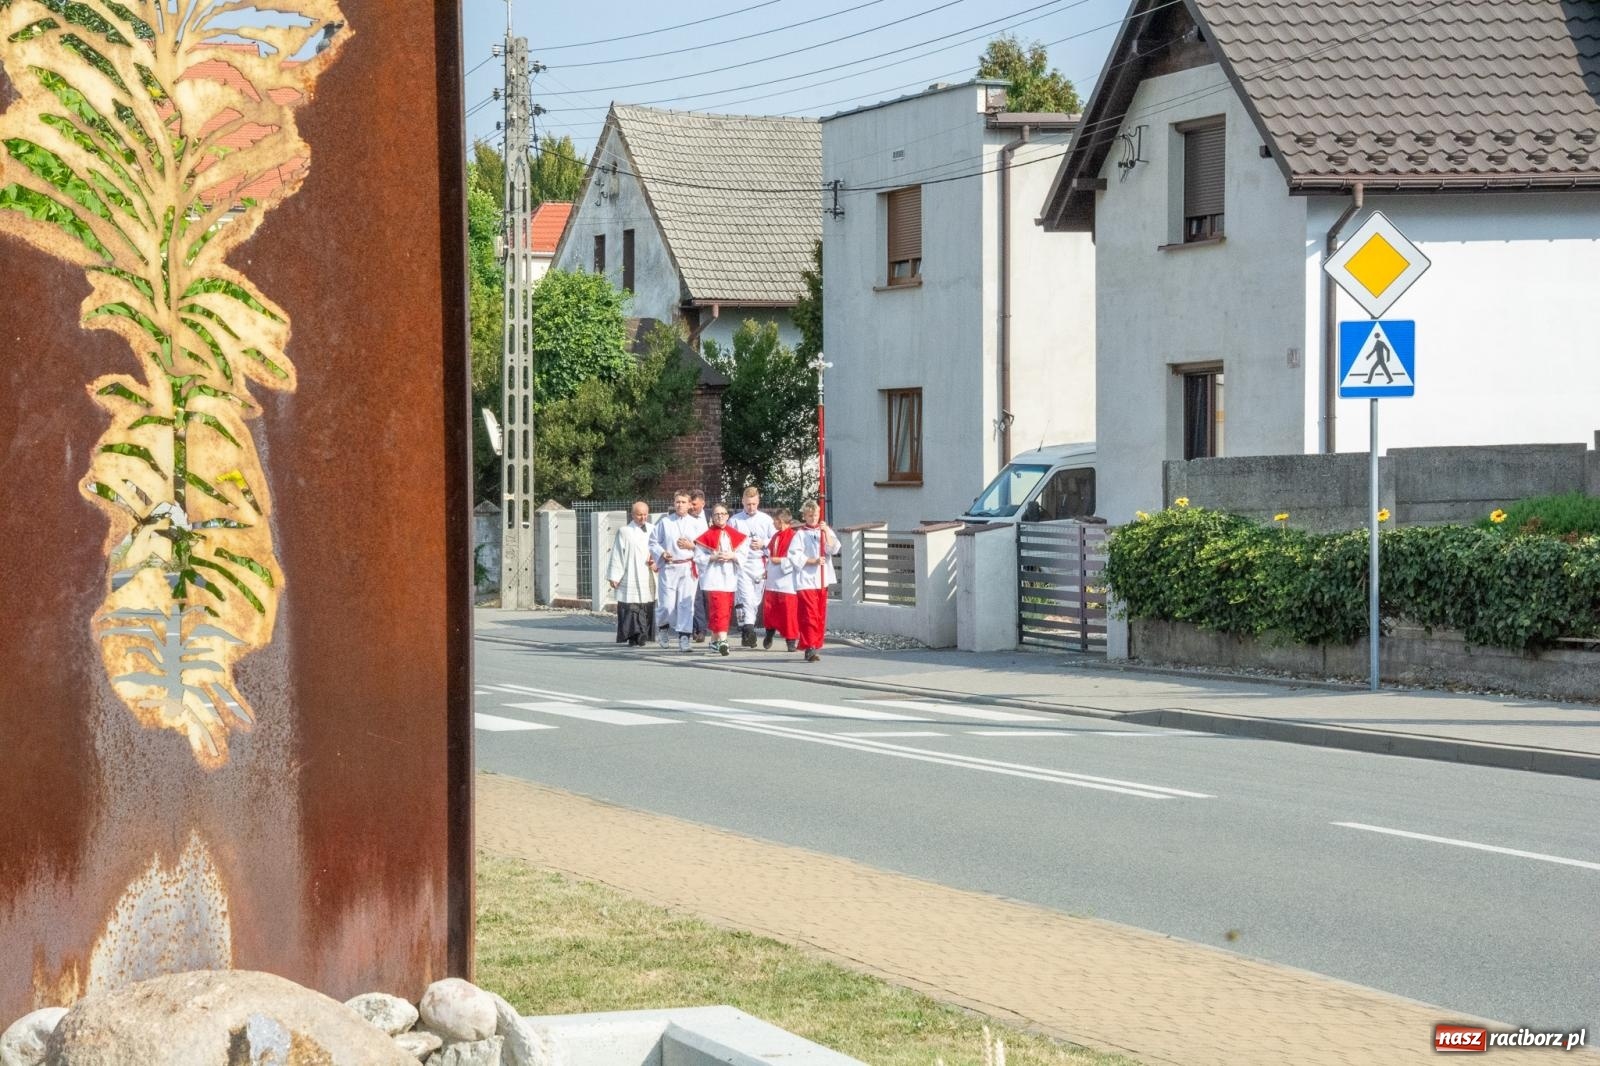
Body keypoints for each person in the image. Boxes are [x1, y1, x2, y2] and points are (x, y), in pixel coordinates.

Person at [786, 499, 840, 663]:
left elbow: (834, 549)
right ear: (804, 516)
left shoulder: (825, 530)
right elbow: (794, 555)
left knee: (819, 614)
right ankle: (809, 647)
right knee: (809, 614)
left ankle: (815, 644)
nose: (813, 519)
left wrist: (826, 533)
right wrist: (813, 561)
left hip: (821, 580)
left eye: (815, 515)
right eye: (809, 516)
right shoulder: (800, 534)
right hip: (806, 579)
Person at [692, 503, 747, 656]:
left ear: (727, 516)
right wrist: (713, 557)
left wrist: (732, 555)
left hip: (729, 578)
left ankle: (714, 642)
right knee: (719, 608)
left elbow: (743, 554)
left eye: (723, 513)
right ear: (712, 517)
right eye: (716, 514)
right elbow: (698, 557)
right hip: (714, 578)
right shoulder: (706, 535)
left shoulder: (734, 534)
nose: (720, 516)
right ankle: (723, 640)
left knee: (724, 610)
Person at [650, 491, 700, 652]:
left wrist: (692, 546)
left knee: (686, 603)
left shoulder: (696, 523)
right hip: (670, 567)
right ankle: (663, 627)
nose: (680, 505)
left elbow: (705, 546)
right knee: (667, 605)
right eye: (677, 502)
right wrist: (662, 553)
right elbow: (653, 542)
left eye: (683, 502)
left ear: (689, 504)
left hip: (688, 566)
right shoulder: (665, 522)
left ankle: (684, 637)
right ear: (674, 503)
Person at [727, 486, 776, 648]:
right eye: (748, 504)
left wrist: (763, 543)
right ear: (742, 502)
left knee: (755, 600)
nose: (751, 507)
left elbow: (776, 540)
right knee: (746, 598)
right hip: (742, 564)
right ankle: (749, 630)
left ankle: (747, 630)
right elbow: (727, 541)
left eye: (754, 504)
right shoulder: (735, 520)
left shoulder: (766, 520)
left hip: (759, 563)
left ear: (758, 502)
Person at [606, 501, 657, 647]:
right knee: (632, 606)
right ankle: (633, 635)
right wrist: (615, 576)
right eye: (639, 514)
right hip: (630, 573)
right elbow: (617, 554)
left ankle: (643, 634)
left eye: (645, 514)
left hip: (647, 573)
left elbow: (658, 550)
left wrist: (656, 562)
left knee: (646, 604)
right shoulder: (624, 531)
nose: (643, 517)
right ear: (632, 515)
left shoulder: (653, 530)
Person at [762, 508, 800, 652]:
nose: (773, 523)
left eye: (775, 521)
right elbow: (771, 553)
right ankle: (769, 633)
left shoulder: (794, 537)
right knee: (770, 609)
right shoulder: (776, 536)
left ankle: (791, 640)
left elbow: (796, 558)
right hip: (773, 577)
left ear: (781, 521)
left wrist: (781, 561)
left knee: (788, 611)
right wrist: (767, 569)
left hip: (787, 579)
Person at [687, 490, 710, 642]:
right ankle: (699, 629)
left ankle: (714, 627)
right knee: (696, 596)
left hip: (711, 562)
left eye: (694, 504)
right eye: (691, 504)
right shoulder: (686, 518)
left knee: (709, 597)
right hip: (694, 561)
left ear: (703, 503)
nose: (692, 507)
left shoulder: (711, 517)